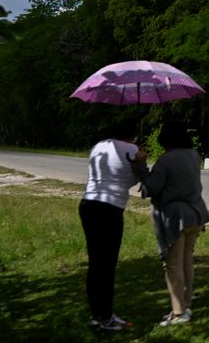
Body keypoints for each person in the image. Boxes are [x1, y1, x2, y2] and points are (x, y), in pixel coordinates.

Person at [132, 121, 209, 327]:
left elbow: (151, 188)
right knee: (186, 260)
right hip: (196, 213)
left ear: (165, 139)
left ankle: (178, 313)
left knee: (173, 264)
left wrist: (141, 166)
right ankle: (186, 304)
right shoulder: (193, 156)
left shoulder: (166, 160)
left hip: (176, 218)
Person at [79, 122, 142, 332]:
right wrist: (140, 161)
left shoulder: (98, 146)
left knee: (96, 263)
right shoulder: (132, 149)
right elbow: (138, 180)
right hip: (110, 208)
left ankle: (97, 315)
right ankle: (106, 318)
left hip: (88, 203)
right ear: (132, 135)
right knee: (107, 265)